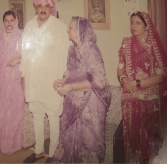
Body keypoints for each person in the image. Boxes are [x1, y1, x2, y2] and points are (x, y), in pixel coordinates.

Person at [51, 16, 111, 163]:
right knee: (70, 140)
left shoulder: (90, 50)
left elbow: (99, 82)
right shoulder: (72, 48)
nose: (67, 30)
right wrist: (64, 80)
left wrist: (70, 86)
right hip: (74, 100)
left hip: (91, 102)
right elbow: (73, 72)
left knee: (89, 143)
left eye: (70, 27)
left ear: (79, 30)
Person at [20, 0, 70, 163]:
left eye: (46, 6)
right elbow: (25, 53)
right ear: (35, 8)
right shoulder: (29, 25)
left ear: (51, 7)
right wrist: (23, 75)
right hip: (33, 78)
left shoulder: (60, 27)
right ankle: (39, 151)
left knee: (54, 115)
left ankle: (54, 154)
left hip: (52, 79)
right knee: (37, 114)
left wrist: (64, 78)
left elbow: (66, 55)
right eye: (39, 6)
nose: (43, 9)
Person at [117, 11, 167, 163]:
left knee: (148, 144)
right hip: (130, 100)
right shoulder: (126, 43)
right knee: (133, 142)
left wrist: (137, 83)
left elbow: (160, 75)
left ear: (147, 26)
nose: (133, 26)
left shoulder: (154, 47)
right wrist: (124, 78)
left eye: (137, 23)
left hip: (149, 100)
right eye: (131, 22)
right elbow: (120, 68)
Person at [0, 11, 24, 154]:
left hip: (16, 79)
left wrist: (17, 60)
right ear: (3, 22)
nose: (9, 23)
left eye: (11, 20)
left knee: (14, 111)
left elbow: (31, 56)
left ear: (16, 21)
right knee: (0, 111)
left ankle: (11, 145)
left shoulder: (22, 38)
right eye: (6, 21)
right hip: (2, 80)